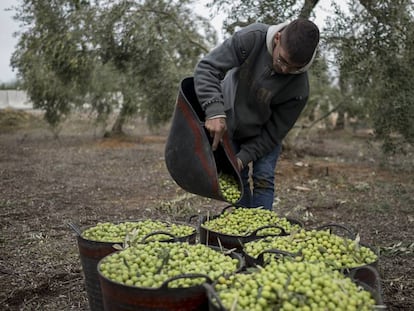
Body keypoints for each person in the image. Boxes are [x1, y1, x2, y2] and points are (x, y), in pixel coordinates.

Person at [193, 18, 320, 210]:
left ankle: (261, 234)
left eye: (295, 68)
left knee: (263, 178)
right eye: (282, 61)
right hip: (231, 122)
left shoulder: (299, 89)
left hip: (263, 134)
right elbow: (207, 68)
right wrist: (214, 110)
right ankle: (241, 234)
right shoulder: (252, 38)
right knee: (236, 179)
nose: (285, 70)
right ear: (277, 38)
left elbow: (273, 134)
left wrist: (244, 158)